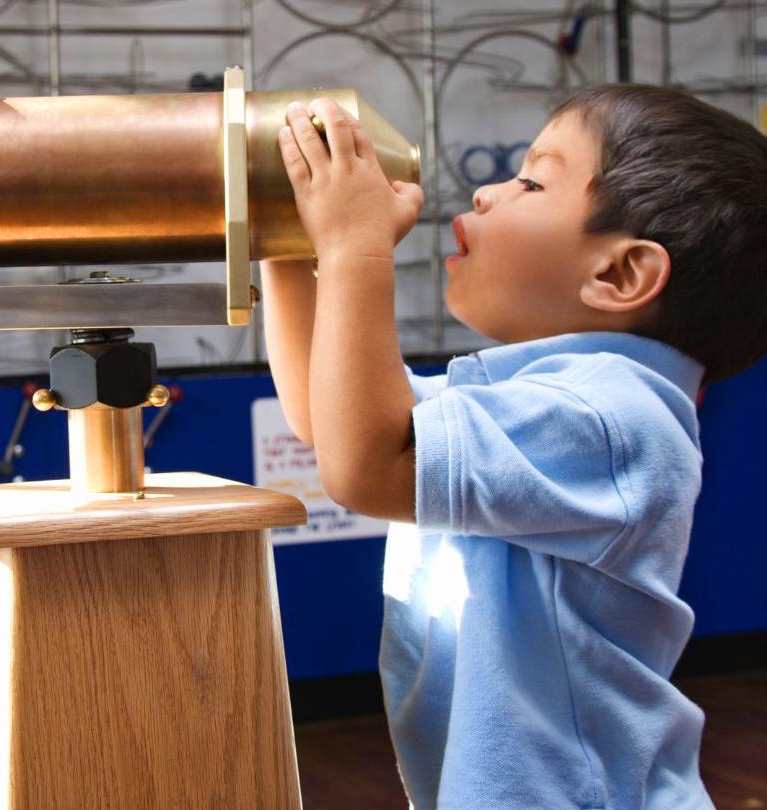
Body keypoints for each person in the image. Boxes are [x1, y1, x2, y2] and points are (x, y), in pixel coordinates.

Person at [260, 84, 767, 808]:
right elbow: (327, 415)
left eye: (532, 180)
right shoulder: (541, 400)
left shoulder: (612, 417)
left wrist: (354, 246)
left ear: (620, 275)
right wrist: (288, 243)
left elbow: (365, 462)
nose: (488, 193)